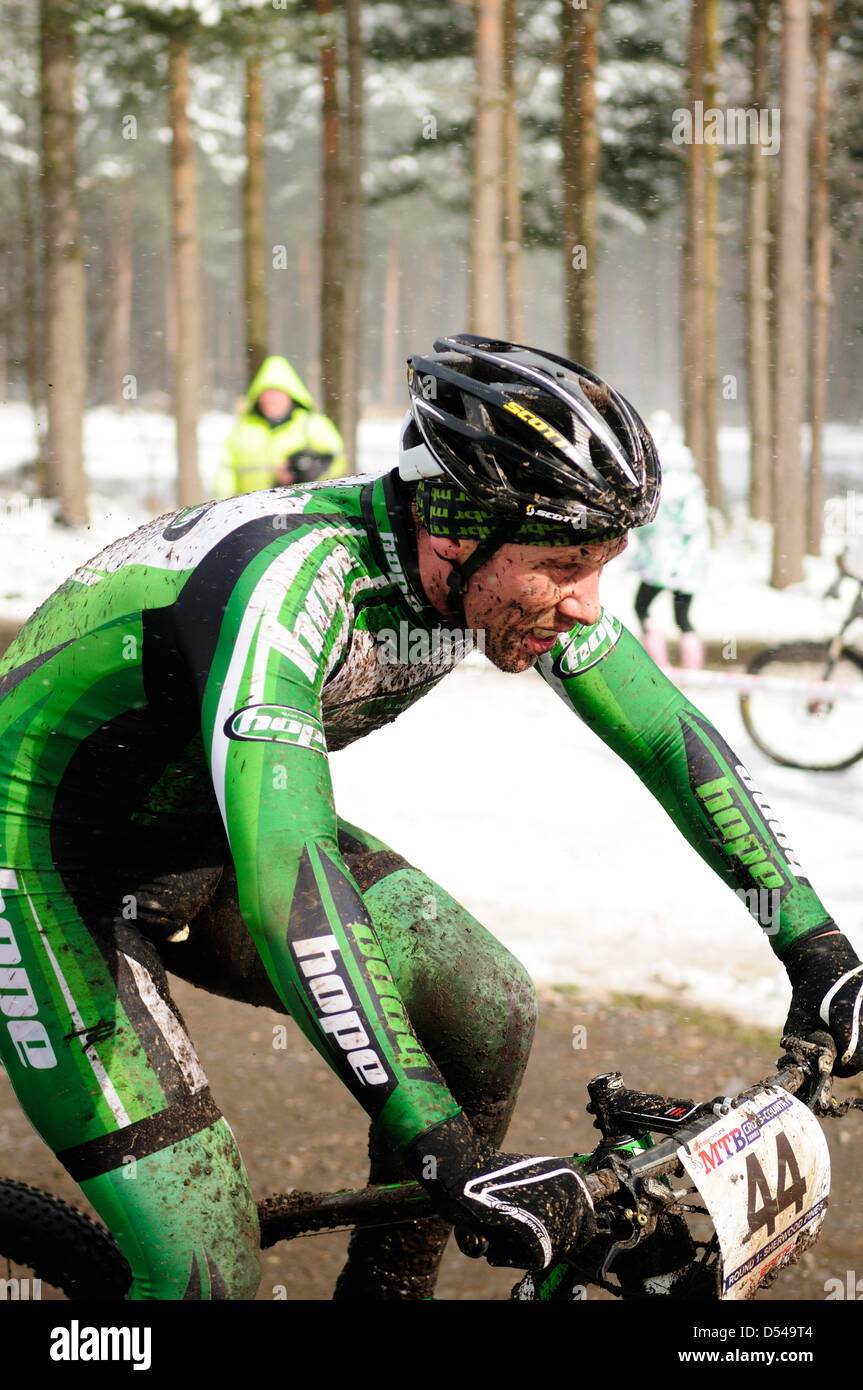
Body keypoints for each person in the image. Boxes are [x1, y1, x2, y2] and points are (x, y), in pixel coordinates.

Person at [0, 334, 860, 1302]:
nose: (585, 605)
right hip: (42, 865)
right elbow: (291, 876)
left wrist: (815, 944)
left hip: (197, 827)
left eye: (602, 564)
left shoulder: (483, 571)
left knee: (488, 1009)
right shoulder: (291, 586)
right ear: (457, 529)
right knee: (202, 1270)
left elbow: (665, 736)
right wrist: (441, 1147)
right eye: (566, 565)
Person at [631, 410, 710, 669]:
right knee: (683, 617)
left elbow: (645, 525)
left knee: (642, 607)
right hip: (688, 563)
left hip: (660, 560)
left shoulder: (655, 486)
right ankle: (692, 670)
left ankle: (658, 664)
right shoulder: (691, 484)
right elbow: (695, 524)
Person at [213, 354, 347, 498]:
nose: (270, 398)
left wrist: (307, 469)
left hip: (305, 510)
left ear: (290, 394)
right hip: (250, 512)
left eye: (276, 392)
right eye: (266, 393)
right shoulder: (242, 429)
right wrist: (220, 507)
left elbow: (337, 461)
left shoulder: (313, 425)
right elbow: (225, 474)